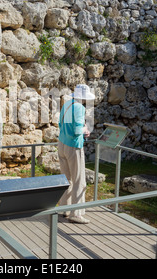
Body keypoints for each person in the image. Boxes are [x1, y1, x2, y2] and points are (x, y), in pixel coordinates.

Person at [58, 84, 95, 224]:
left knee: (66, 178)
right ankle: (76, 213)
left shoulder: (67, 104)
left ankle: (64, 208)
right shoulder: (80, 108)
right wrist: (86, 130)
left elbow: (60, 124)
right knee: (79, 179)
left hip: (62, 144)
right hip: (73, 146)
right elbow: (77, 130)